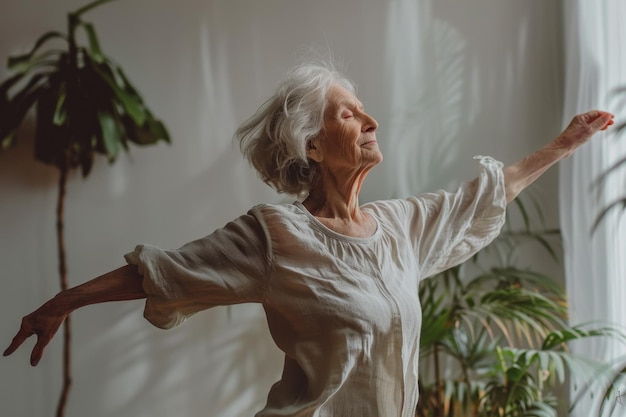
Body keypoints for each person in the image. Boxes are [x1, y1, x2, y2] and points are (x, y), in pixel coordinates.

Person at [3, 61, 615, 417]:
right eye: (348, 113)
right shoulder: (277, 234)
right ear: (312, 146)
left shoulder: (400, 228)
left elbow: (482, 196)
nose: (371, 120)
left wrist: (561, 145)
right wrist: (63, 302)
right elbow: (160, 272)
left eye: (365, 109)